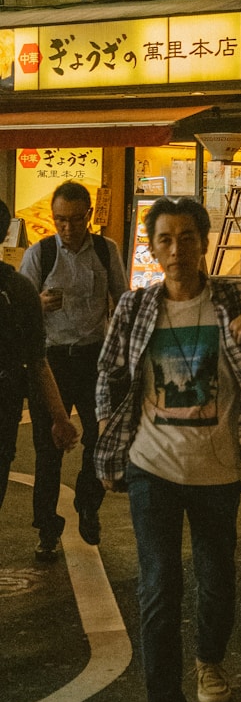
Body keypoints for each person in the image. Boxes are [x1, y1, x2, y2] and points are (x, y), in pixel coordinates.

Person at [94, 197, 241, 702]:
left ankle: (210, 659)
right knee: (158, 587)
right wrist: (110, 448)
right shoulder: (136, 308)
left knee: (217, 580)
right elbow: (109, 375)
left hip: (217, 471)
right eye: (165, 238)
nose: (177, 249)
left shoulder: (234, 298)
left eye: (188, 237)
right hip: (151, 467)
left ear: (205, 243)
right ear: (152, 247)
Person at [22, 181, 127, 561]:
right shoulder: (41, 254)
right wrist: (37, 304)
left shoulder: (105, 249)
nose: (68, 228)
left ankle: (88, 503)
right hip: (49, 362)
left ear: (89, 216)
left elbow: (121, 296)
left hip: (94, 357)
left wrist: (122, 348)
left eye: (75, 219)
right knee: (48, 449)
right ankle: (46, 529)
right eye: (60, 220)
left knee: (100, 436)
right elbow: (17, 308)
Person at [0, 198, 78, 518]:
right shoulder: (18, 289)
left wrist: (60, 417)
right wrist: (60, 418)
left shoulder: (19, 290)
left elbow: (37, 360)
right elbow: (37, 361)